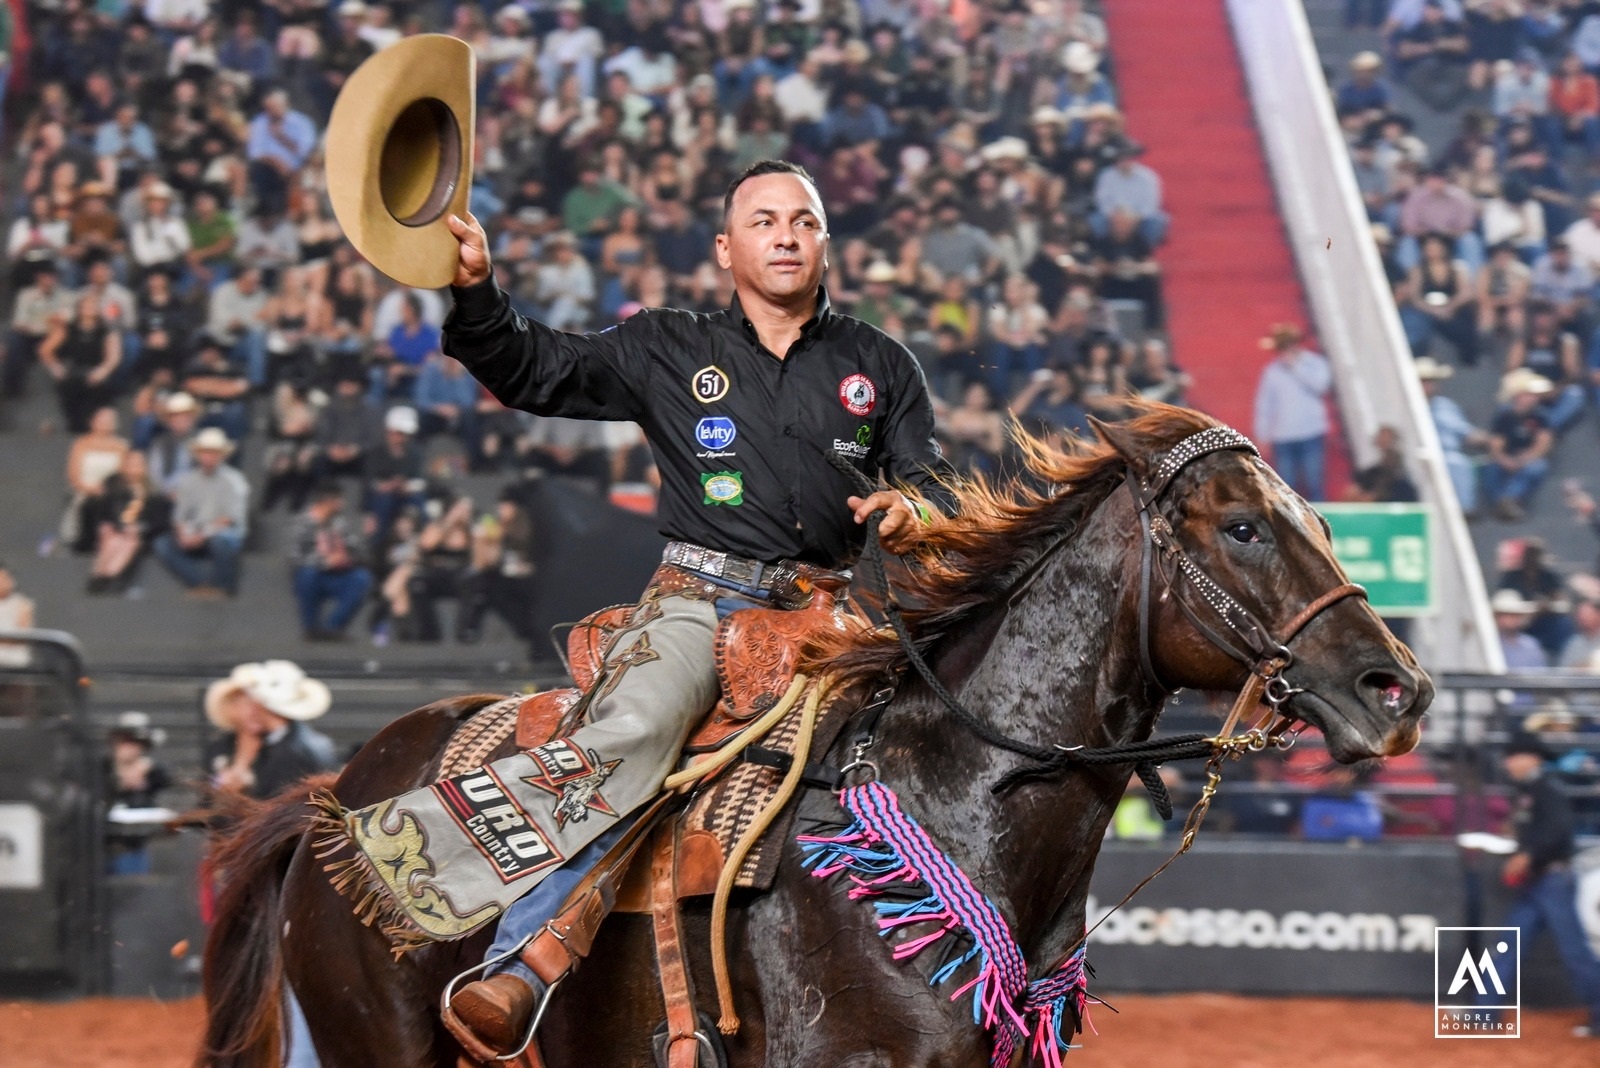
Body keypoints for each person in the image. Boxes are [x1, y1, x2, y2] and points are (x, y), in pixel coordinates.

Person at [440, 159, 952, 1053]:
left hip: (837, 612)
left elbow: (929, 475)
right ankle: (523, 963)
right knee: (635, 731)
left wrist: (916, 507)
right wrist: (481, 292)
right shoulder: (667, 345)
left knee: (941, 740)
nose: (786, 235)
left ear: (826, 241)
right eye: (764, 221)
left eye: (803, 220)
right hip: (698, 604)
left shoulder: (880, 363)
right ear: (726, 248)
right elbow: (535, 370)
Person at [1494, 732, 1600, 1039]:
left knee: (1574, 951)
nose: (1508, 763)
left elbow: (1558, 830)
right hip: (1538, 880)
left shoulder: (1546, 789)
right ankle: (1483, 1012)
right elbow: (1542, 827)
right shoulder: (1530, 791)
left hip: (1552, 880)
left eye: (1514, 756)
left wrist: (1528, 853)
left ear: (1531, 758)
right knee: (1507, 946)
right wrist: (1517, 836)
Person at [204, 660, 339, 800]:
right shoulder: (226, 746)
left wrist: (235, 792)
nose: (246, 711)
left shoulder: (294, 751)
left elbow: (278, 807)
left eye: (249, 703)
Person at [153, 428, 249, 598]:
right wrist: (184, 534)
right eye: (205, 452)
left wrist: (201, 535)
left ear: (221, 455)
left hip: (222, 533)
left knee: (221, 541)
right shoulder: (189, 480)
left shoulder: (233, 480)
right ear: (198, 455)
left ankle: (224, 588)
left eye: (213, 453)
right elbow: (179, 516)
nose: (208, 457)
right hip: (196, 531)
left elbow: (228, 518)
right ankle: (201, 584)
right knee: (162, 543)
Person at [1252, 323, 1331, 501]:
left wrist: (1295, 367)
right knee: (1286, 485)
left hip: (1311, 431)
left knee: (1314, 482)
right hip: (1283, 435)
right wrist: (1262, 434)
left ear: (1295, 345)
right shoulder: (1272, 371)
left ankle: (1321, 523)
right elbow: (1264, 405)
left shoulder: (1314, 363)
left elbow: (1321, 386)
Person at [290, 483, 373, 642]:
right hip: (313, 575)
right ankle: (311, 629)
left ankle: (331, 629)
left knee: (361, 578)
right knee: (307, 574)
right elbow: (295, 557)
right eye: (340, 499)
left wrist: (348, 556)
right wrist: (324, 561)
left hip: (338, 575)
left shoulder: (339, 523)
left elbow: (359, 551)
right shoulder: (302, 523)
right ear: (329, 501)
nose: (343, 504)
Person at [1484, 369, 1555, 520]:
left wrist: (1526, 457)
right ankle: (1499, 503)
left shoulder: (1541, 416)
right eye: (1529, 394)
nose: (1534, 398)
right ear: (1518, 396)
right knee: (1491, 467)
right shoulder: (1505, 416)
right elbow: (1496, 444)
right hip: (1507, 456)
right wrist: (1503, 459)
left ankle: (1508, 500)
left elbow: (1544, 443)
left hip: (1528, 457)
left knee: (1537, 467)